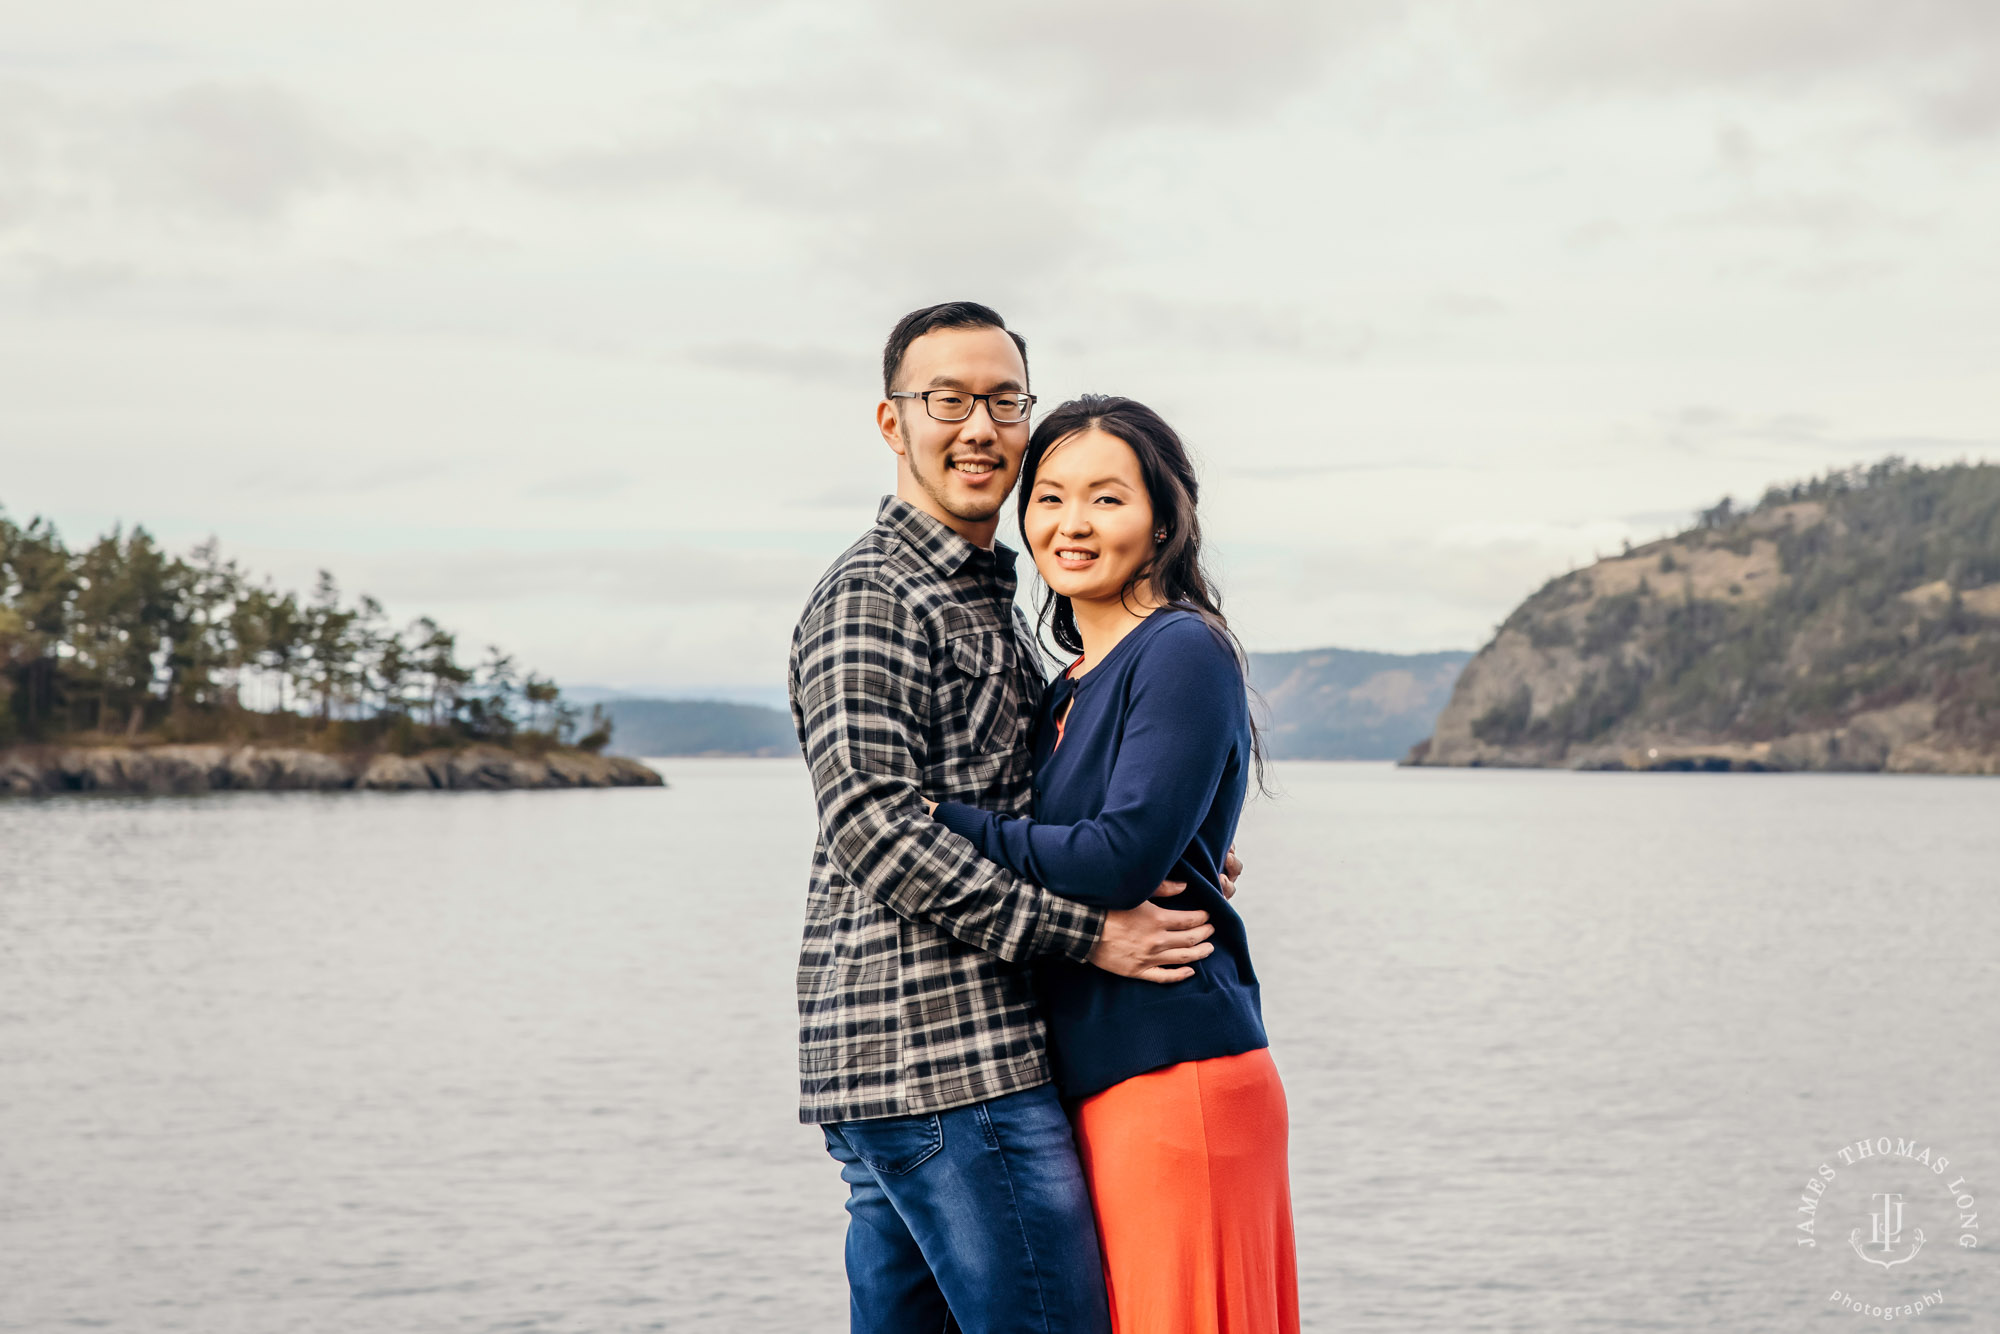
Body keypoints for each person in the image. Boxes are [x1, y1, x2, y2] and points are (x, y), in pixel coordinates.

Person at [788, 303, 1233, 1334]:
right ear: (893, 423)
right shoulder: (874, 595)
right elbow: (878, 830)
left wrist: (1183, 839)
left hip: (923, 1058)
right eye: (946, 398)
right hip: (942, 1051)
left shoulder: (988, 598)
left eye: (1002, 399)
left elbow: (1026, 796)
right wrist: (1093, 932)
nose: (978, 425)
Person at [926, 395, 1299, 1334]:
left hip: (1177, 1074)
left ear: (1164, 520)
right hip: (1102, 1077)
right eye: (1049, 498)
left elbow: (1118, 858)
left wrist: (947, 823)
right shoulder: (1069, 683)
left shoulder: (1178, 649)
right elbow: (1124, 834)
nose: (1072, 525)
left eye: (1106, 498)